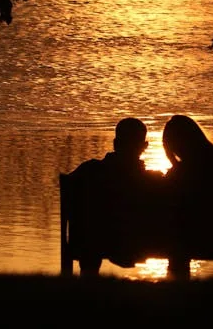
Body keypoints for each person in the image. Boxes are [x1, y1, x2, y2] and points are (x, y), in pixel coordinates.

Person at [69, 117, 164, 276]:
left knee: (92, 228)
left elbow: (70, 191)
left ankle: (87, 283)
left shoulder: (89, 171)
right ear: (144, 146)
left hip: (93, 243)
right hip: (139, 245)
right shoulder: (153, 180)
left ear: (115, 143)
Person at [161, 115, 213, 272]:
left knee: (178, 233)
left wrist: (173, 163)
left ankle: (176, 287)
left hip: (196, 234)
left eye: (171, 146)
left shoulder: (183, 170)